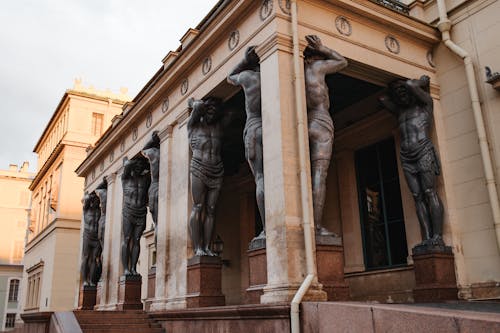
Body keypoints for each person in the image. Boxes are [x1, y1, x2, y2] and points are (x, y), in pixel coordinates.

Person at [379, 75, 444, 246]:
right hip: (406, 156)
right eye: (397, 92)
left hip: (423, 151)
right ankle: (427, 237)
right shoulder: (400, 112)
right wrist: (395, 88)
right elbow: (382, 98)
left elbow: (411, 84)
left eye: (403, 90)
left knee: (430, 192)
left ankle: (437, 237)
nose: (400, 94)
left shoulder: (425, 105)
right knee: (417, 196)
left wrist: (417, 83)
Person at [304, 35, 348, 236]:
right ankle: (316, 227)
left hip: (302, 121)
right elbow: (342, 61)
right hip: (321, 121)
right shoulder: (317, 68)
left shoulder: (295, 71)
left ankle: (307, 226)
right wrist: (323, 48)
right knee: (319, 175)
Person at [227, 46, 266, 239]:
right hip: (271, 126)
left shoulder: (249, 78)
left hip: (253, 128)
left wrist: (244, 60)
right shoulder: (270, 76)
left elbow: (230, 76)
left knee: (260, 178)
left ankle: (267, 228)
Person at [188, 97, 224, 256]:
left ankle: (207, 247)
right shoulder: (194, 125)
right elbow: (195, 105)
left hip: (217, 169)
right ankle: (197, 248)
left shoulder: (218, 127)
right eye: (209, 109)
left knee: (211, 209)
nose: (212, 113)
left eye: (215, 111)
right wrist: (198, 105)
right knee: (198, 206)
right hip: (198, 166)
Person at [121, 157, 151, 275]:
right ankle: (126, 269)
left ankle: (133, 268)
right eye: (136, 165)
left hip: (141, 211)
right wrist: (134, 161)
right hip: (128, 211)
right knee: (127, 239)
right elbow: (127, 164)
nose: (138, 167)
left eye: (140, 165)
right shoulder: (126, 178)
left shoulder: (145, 179)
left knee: (137, 240)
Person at [141, 131, 160, 245]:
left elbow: (143, 150)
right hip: (162, 188)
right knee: (160, 224)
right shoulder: (160, 153)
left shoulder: (153, 153)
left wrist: (151, 141)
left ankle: (159, 256)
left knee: (158, 224)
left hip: (154, 188)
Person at [81, 191, 101, 286]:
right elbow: (87, 198)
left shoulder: (99, 211)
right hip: (87, 236)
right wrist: (92, 193)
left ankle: (92, 280)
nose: (97, 203)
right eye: (95, 201)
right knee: (86, 257)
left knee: (94, 258)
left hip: (96, 238)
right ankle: (85, 280)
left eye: (98, 201)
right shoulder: (86, 210)